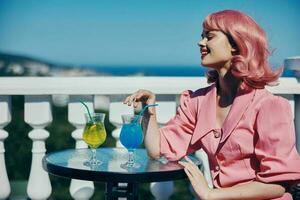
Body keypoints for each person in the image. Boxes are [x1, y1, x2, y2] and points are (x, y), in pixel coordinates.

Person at [123, 10, 300, 200]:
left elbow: (277, 185)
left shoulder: (270, 107)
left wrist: (211, 194)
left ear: (236, 44)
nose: (200, 43)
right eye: (202, 37)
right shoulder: (197, 103)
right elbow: (157, 150)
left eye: (209, 37)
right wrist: (148, 109)